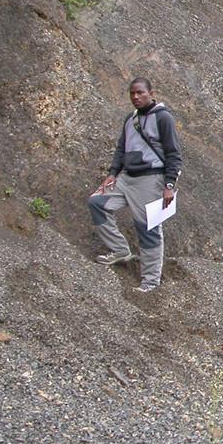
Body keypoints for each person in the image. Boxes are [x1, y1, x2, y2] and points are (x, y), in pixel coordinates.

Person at [88, 77, 183, 293]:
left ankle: (150, 281)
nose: (135, 97)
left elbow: (174, 154)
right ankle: (120, 250)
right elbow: (121, 149)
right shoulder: (129, 120)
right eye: (132, 93)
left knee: (147, 228)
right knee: (96, 203)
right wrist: (112, 173)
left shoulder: (163, 118)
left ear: (151, 92)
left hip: (151, 180)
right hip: (126, 178)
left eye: (140, 93)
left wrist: (169, 184)